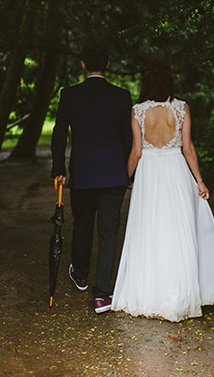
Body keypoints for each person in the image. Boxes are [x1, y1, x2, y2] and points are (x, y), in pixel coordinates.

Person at [111, 60, 214, 321]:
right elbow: (188, 149)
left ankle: (148, 293)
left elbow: (137, 152)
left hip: (149, 173)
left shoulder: (137, 111)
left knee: (148, 229)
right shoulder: (182, 108)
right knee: (178, 229)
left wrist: (124, 178)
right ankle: (179, 296)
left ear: (147, 82)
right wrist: (199, 180)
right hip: (175, 170)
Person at [51, 43, 132, 314]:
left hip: (83, 173)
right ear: (107, 64)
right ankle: (102, 295)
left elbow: (59, 133)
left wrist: (59, 168)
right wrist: (129, 172)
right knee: (109, 232)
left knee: (82, 225)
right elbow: (128, 138)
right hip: (114, 175)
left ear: (82, 64)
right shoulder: (121, 96)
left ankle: (81, 274)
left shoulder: (70, 95)